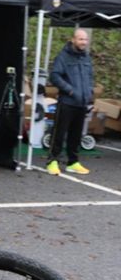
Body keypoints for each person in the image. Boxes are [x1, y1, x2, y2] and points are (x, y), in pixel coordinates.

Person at [46, 29, 94, 176]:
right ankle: (52, 161)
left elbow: (89, 77)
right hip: (67, 102)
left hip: (82, 103)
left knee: (76, 135)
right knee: (59, 134)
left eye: (85, 39)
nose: (84, 42)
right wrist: (70, 90)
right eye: (81, 39)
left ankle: (73, 162)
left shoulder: (86, 58)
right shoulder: (63, 57)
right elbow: (54, 76)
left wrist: (89, 94)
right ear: (73, 39)